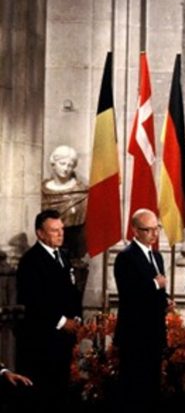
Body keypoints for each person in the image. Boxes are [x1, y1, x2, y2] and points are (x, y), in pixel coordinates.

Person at [15, 209, 82, 412]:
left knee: (62, 393)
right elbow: (34, 300)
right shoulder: (31, 261)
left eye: (61, 230)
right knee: (44, 396)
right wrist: (63, 322)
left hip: (64, 340)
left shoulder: (63, 256)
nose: (60, 234)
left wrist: (76, 318)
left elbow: (72, 292)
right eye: (54, 231)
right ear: (40, 234)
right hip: (42, 340)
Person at [113, 209, 170, 413]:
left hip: (154, 332)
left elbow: (158, 290)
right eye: (148, 230)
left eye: (156, 229)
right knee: (134, 388)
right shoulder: (125, 257)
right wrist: (154, 285)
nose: (154, 235)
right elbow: (128, 293)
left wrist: (166, 300)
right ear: (135, 230)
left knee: (152, 386)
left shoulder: (157, 256)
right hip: (134, 334)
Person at [41, 145, 88, 259]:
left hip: (72, 249)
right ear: (53, 164)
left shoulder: (81, 193)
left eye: (70, 165)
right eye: (62, 163)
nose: (66, 168)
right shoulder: (41, 191)